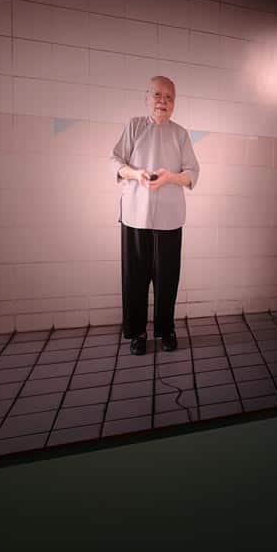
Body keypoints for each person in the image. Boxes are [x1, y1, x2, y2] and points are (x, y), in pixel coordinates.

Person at [111, 76, 200, 355]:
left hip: (169, 219)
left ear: (175, 103)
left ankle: (166, 330)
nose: (163, 101)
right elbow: (115, 161)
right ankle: (137, 332)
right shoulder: (135, 126)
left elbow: (192, 174)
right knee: (134, 277)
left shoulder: (180, 134)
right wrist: (136, 174)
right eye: (158, 95)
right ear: (147, 98)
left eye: (169, 97)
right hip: (135, 216)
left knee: (167, 278)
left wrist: (169, 177)